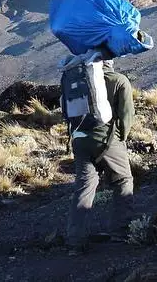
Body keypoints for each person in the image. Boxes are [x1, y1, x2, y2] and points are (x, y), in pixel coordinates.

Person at [64, 55, 135, 251]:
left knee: (84, 186)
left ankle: (75, 240)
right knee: (123, 180)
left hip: (79, 140)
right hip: (107, 139)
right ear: (109, 61)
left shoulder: (77, 80)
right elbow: (127, 115)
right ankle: (121, 231)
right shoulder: (119, 80)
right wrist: (121, 138)